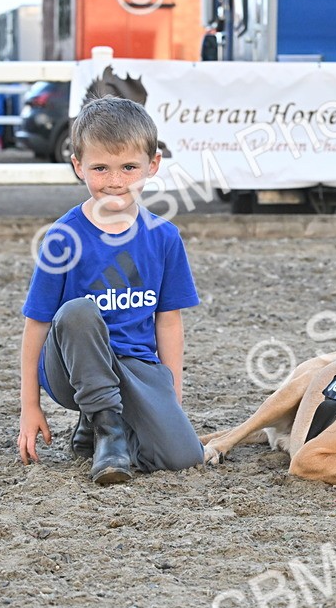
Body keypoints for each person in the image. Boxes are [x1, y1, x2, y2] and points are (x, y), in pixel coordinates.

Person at [17, 95, 205, 483]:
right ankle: (108, 430)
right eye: (100, 168)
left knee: (184, 456)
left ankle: (96, 426)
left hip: (134, 366)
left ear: (152, 166)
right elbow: (36, 324)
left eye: (129, 167)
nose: (116, 181)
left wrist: (170, 399)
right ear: (77, 166)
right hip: (70, 370)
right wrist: (29, 406)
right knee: (78, 311)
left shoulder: (164, 237)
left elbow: (168, 323)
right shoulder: (63, 237)